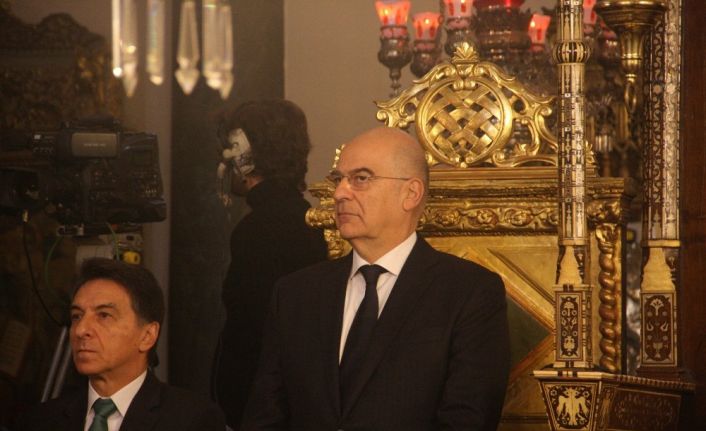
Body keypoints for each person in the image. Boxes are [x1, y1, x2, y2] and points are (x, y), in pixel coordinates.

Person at [240, 127, 511, 431]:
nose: (340, 193)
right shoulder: (295, 293)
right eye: (338, 179)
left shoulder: (469, 293)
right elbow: (265, 417)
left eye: (361, 178)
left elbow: (466, 420)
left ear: (410, 193)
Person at [213, 99, 328, 428]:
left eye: (231, 148)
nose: (224, 161)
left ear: (246, 154)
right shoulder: (307, 220)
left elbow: (253, 336)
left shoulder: (258, 230)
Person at [19, 257, 226, 431]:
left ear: (147, 335)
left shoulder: (191, 420)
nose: (81, 330)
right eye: (76, 316)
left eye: (104, 315)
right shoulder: (41, 420)